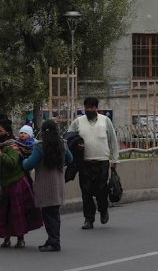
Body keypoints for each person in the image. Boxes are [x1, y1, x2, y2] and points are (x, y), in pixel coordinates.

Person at [0, 114, 42, 248]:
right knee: (3, 213)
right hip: (1, 185)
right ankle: (6, 238)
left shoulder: (13, 146)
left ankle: (20, 239)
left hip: (16, 184)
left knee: (17, 214)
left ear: (7, 132)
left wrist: (0, 154)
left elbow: (12, 163)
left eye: (0, 131)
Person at [67, 97, 119, 229]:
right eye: (87, 108)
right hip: (84, 163)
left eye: (91, 107)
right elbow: (68, 138)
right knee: (86, 192)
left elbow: (113, 140)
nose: (89, 110)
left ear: (96, 108)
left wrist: (114, 159)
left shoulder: (105, 121)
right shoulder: (77, 122)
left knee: (102, 191)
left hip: (102, 162)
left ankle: (103, 210)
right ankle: (88, 219)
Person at [23, 119, 72, 252]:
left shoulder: (40, 146)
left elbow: (29, 164)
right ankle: (53, 240)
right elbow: (70, 159)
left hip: (44, 186)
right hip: (58, 185)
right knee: (54, 214)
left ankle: (54, 242)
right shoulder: (63, 144)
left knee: (48, 215)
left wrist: (23, 160)